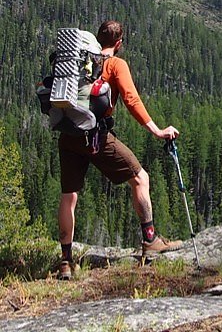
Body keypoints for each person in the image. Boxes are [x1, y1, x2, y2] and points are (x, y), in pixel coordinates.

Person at [57, 20, 182, 280]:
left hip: (68, 134)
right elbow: (131, 99)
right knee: (140, 178)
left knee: (69, 196)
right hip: (96, 137)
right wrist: (157, 130)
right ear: (119, 43)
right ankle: (150, 241)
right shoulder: (115, 64)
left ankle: (65, 262)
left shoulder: (81, 63)